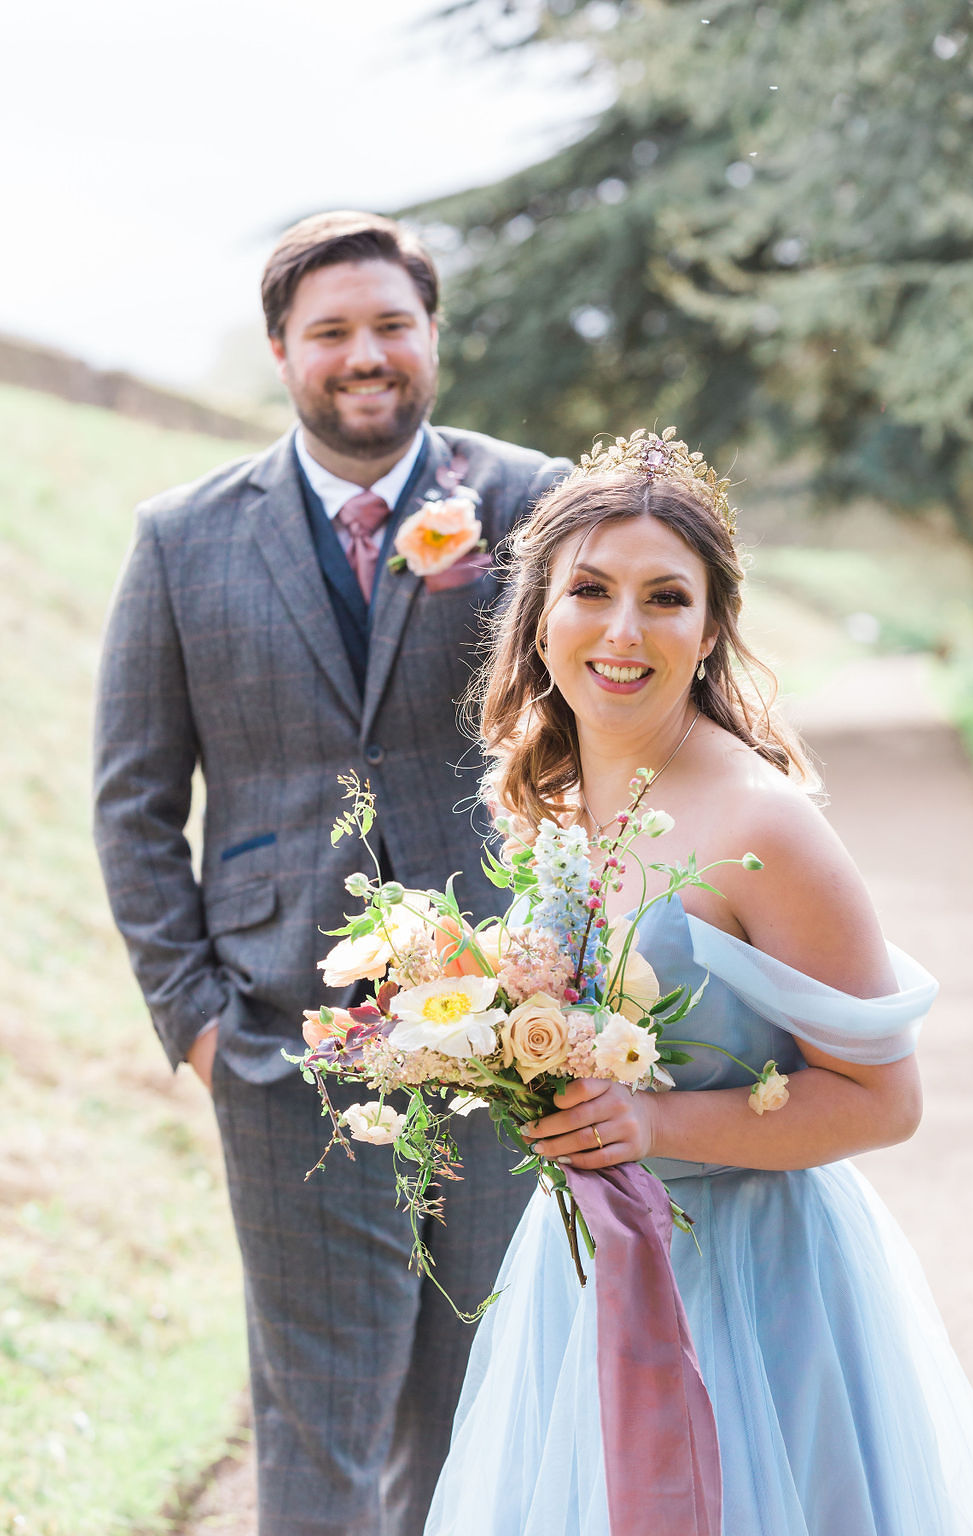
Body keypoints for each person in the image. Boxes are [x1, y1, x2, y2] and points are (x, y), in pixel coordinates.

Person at [423, 430, 973, 1536]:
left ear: (707, 630)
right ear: (538, 614)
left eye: (664, 598)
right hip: (591, 1269)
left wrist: (649, 1120)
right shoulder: (561, 804)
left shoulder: (763, 828)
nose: (621, 629)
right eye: (590, 590)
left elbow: (885, 1100)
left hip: (752, 1291)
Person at [92, 210, 570, 1536]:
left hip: (499, 1021)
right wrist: (194, 1023)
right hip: (278, 1031)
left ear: (431, 338)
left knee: (480, 1382)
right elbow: (134, 806)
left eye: (391, 326)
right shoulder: (181, 537)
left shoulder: (532, 506)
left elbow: (604, 733)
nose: (366, 355)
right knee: (315, 1404)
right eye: (333, 333)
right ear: (282, 352)